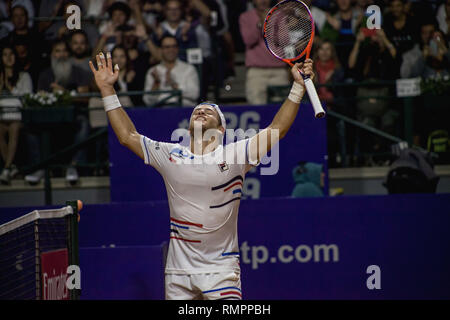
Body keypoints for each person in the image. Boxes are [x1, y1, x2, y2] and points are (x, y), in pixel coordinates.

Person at [89, 49, 315, 300]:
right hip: (179, 274)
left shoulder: (236, 155)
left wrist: (297, 87)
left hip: (221, 271)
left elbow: (277, 129)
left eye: (209, 111)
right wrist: (108, 90)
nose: (200, 111)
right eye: (197, 110)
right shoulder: (170, 155)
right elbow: (127, 137)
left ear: (220, 128)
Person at [239, 0, 289, 105]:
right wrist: (260, 23)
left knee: (281, 110)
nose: (263, 1)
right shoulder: (245, 17)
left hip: (278, 71)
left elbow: (284, 41)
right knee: (258, 108)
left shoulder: (279, 15)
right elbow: (248, 40)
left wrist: (269, 23)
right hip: (257, 72)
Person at [0, 45, 33, 184]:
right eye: (5, 54)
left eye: (11, 54)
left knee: (14, 128)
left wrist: (12, 89)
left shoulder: (24, 76)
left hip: (18, 116)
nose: (8, 58)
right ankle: (10, 167)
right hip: (2, 117)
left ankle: (6, 168)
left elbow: (27, 97)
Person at [143, 35, 199, 107]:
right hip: (160, 111)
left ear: (178, 48)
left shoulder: (189, 69)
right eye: (167, 47)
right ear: (160, 50)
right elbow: (147, 101)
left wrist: (174, 85)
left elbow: (194, 94)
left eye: (174, 46)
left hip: (184, 110)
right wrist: (156, 84)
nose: (171, 50)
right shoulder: (153, 71)